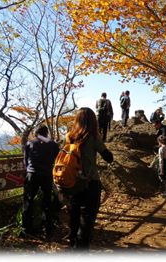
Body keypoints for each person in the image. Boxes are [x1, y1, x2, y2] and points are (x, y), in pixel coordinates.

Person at [64, 107, 114, 252]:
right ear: (93, 121)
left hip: (72, 182)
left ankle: (73, 246)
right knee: (87, 218)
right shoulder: (92, 137)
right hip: (90, 183)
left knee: (74, 215)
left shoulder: (68, 137)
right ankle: (81, 251)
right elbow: (109, 159)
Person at [22, 124, 60, 237]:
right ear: (46, 133)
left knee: (28, 200)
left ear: (35, 133)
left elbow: (26, 161)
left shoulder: (29, 143)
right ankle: (47, 228)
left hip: (32, 174)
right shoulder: (52, 144)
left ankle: (26, 229)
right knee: (47, 200)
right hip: (47, 174)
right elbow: (58, 158)